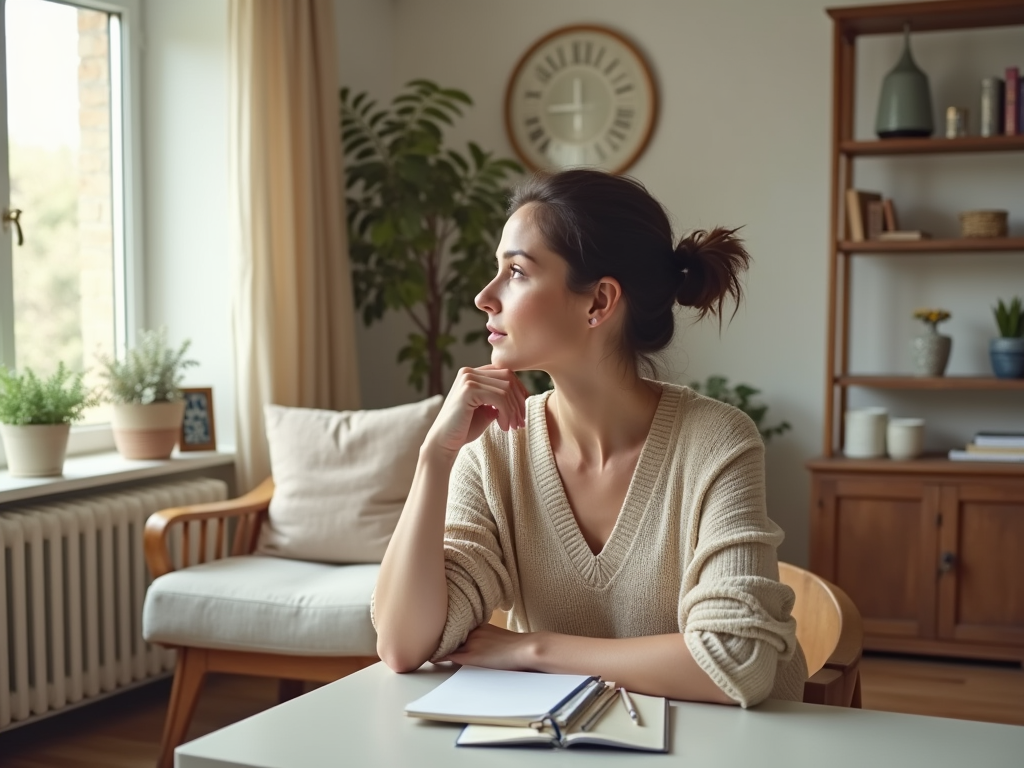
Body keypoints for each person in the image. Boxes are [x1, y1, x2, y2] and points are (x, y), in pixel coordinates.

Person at [372, 169, 807, 707]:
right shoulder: (494, 450)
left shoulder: (715, 441)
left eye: (517, 272)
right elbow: (403, 644)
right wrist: (433, 458)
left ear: (599, 301)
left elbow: (736, 661)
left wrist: (533, 650)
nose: (486, 297)